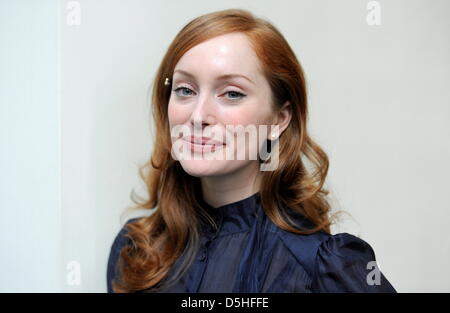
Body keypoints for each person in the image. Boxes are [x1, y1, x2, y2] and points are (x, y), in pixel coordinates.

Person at [107, 8, 397, 293]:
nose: (198, 116)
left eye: (232, 93)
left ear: (279, 119)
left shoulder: (324, 267)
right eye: (185, 90)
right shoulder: (135, 250)